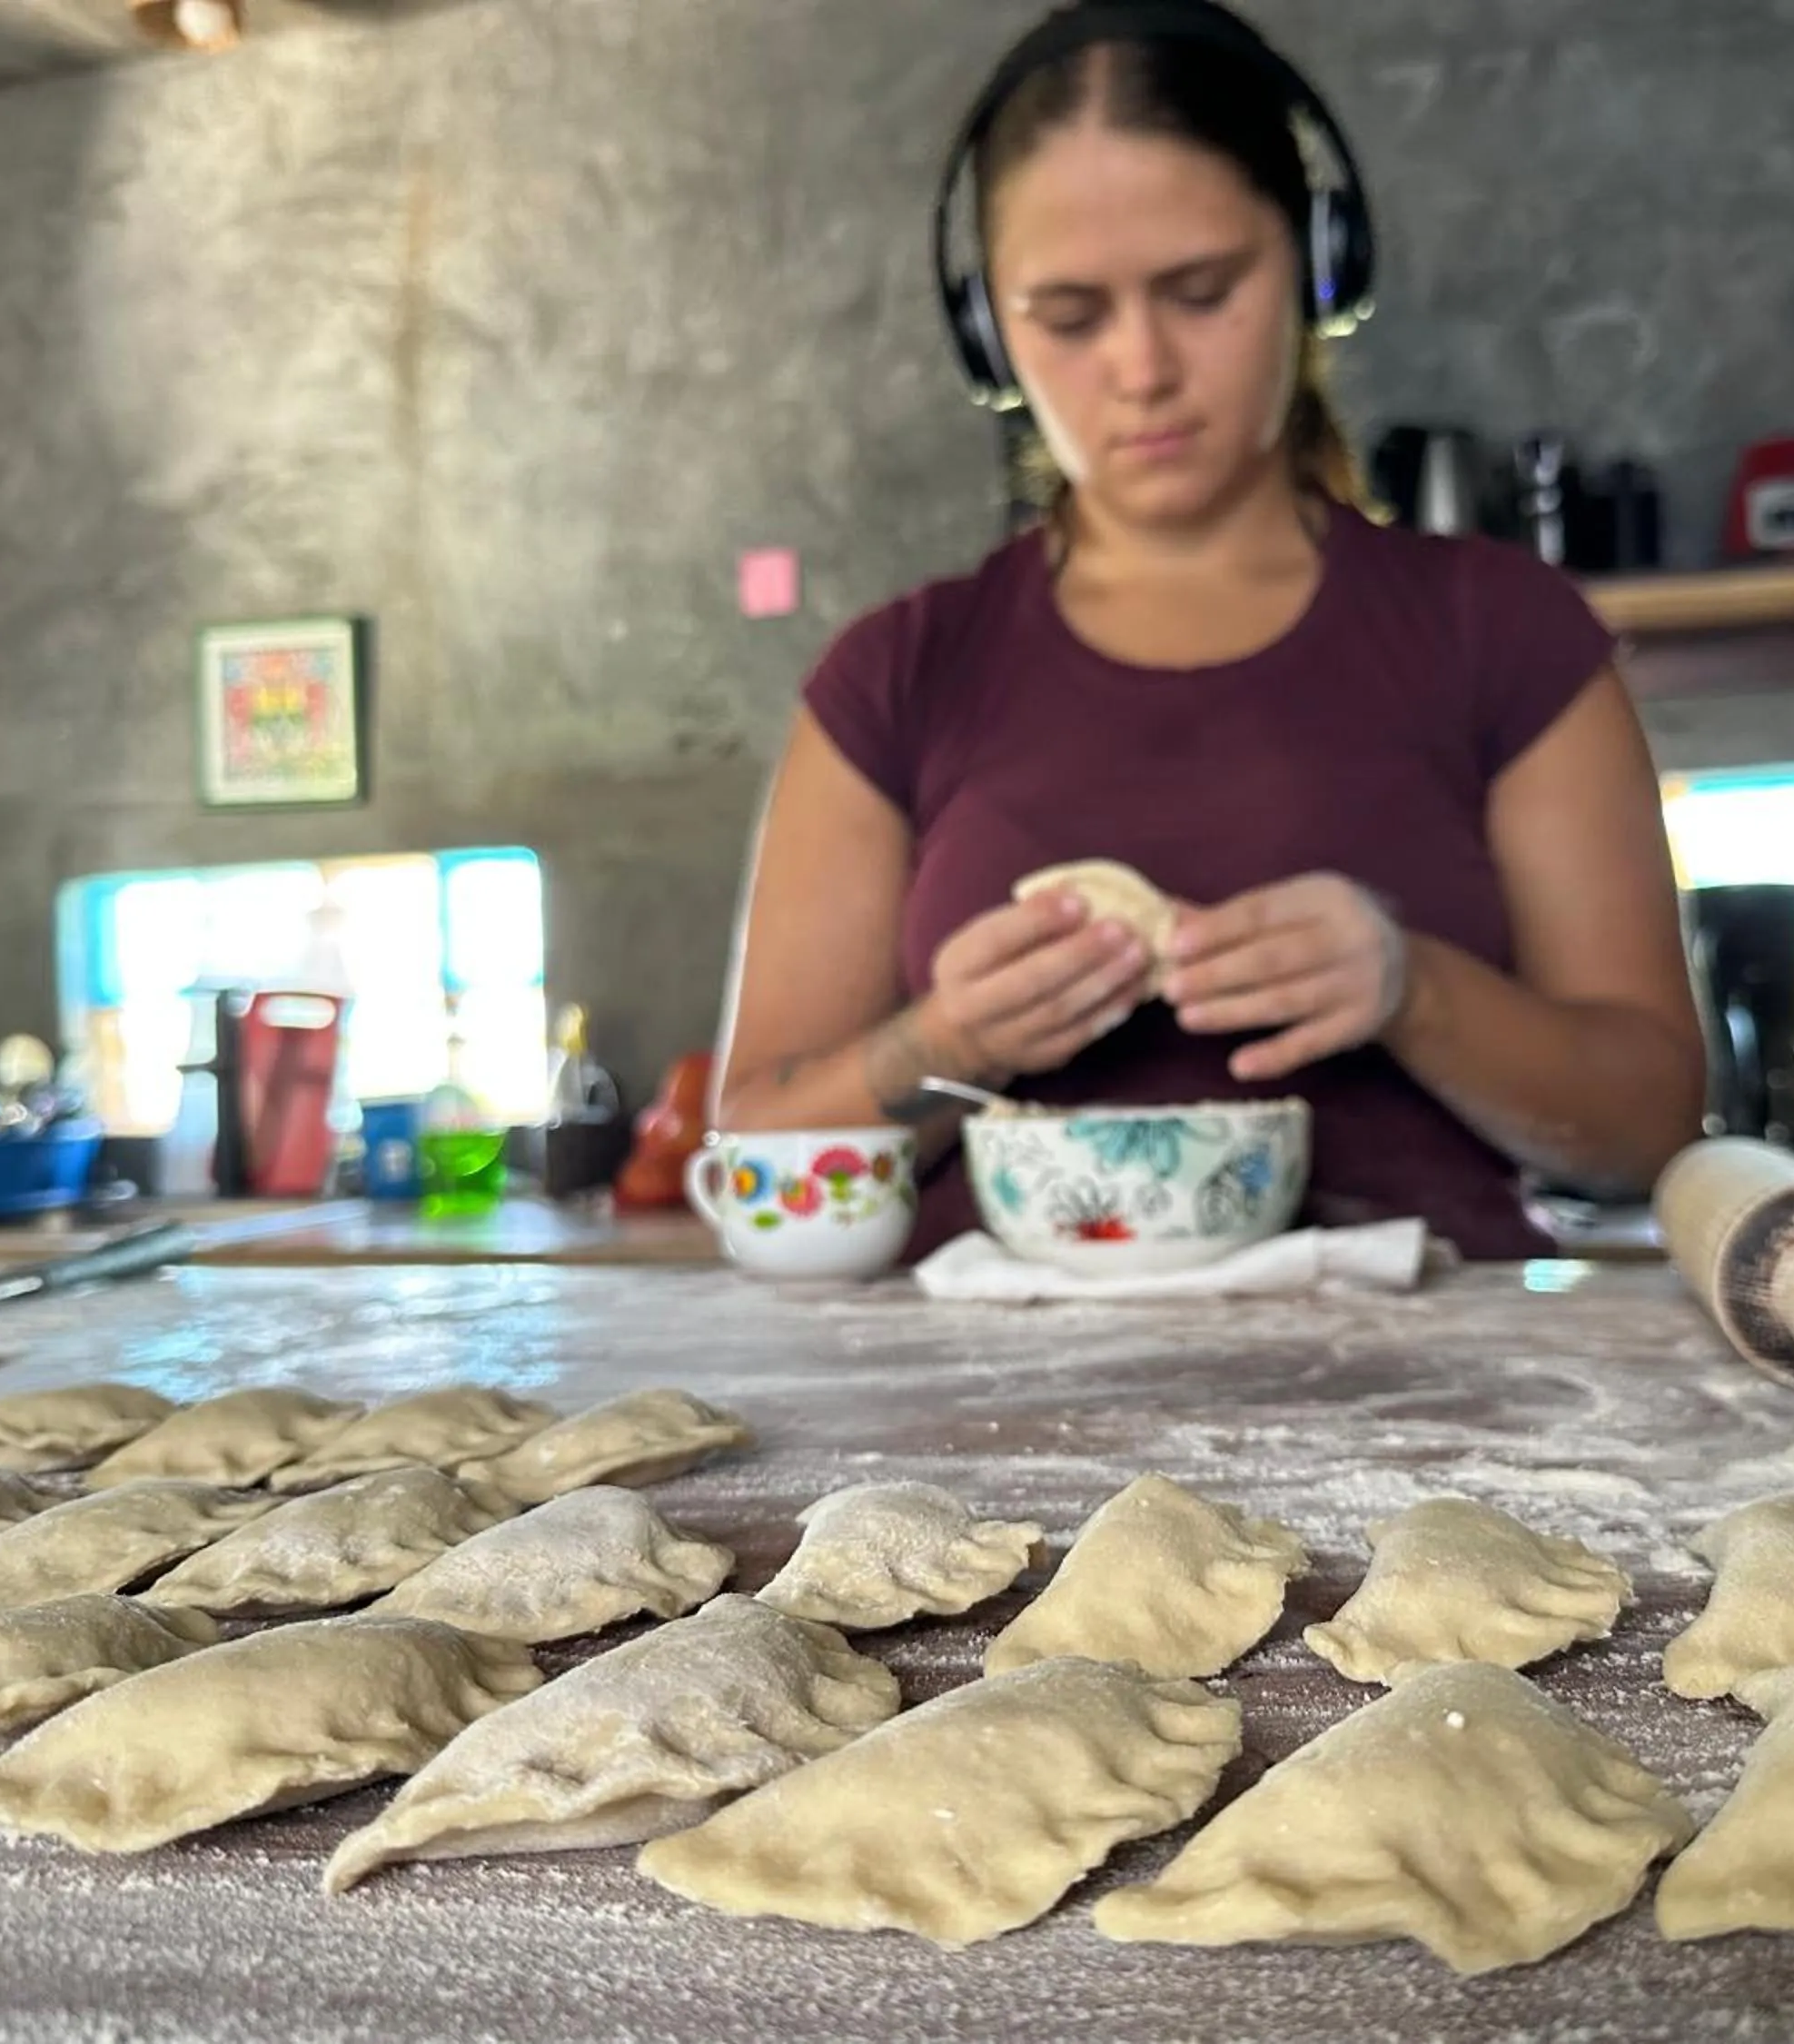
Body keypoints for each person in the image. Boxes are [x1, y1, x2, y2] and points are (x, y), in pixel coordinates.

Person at [711, 0, 1703, 1260]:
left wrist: (1412, 987)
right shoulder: (897, 676)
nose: (1141, 368)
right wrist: (946, 1042)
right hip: (986, 1430)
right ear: (988, 334)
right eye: (1069, 317)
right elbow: (754, 1148)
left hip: (1438, 1423)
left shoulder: (1505, 636)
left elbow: (1649, 1128)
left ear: (1318, 265)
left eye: (1201, 289)